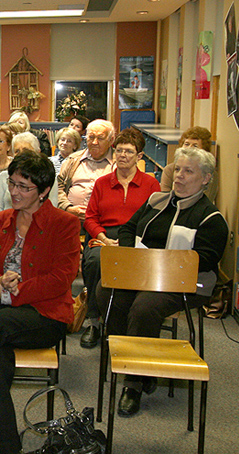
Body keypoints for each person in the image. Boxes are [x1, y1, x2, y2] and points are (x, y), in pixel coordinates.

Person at [0, 150, 80, 454]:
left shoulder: (64, 224)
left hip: (43, 314)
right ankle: (4, 447)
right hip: (0, 308)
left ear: (43, 192)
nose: (13, 191)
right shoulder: (0, 220)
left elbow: (60, 279)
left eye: (23, 187)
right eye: (12, 183)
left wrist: (18, 290)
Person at [97, 147, 228, 417]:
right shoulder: (156, 200)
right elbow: (128, 228)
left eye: (188, 171)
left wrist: (157, 265)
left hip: (185, 283)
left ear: (205, 179)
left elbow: (204, 260)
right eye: (177, 169)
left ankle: (132, 383)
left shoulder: (211, 218)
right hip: (142, 272)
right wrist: (132, 256)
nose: (179, 176)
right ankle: (133, 360)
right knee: (107, 291)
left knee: (145, 307)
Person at [79, 128, 160, 349]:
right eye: (119, 151)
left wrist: (128, 241)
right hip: (105, 235)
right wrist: (104, 239)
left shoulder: (151, 185)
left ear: (139, 156)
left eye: (129, 152)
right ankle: (94, 322)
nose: (123, 155)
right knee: (95, 261)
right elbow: (90, 218)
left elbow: (155, 220)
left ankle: (126, 320)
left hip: (136, 238)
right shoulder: (102, 183)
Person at [57, 119, 116, 220]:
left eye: (100, 138)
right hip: (71, 218)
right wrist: (67, 207)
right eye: (91, 137)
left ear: (111, 140)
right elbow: (57, 187)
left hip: (104, 220)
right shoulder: (73, 160)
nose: (94, 142)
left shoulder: (119, 163)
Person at [160, 126, 218, 202]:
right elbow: (164, 198)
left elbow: (206, 199)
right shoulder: (169, 169)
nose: (189, 148)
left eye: (195, 146)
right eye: (186, 144)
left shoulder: (208, 173)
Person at [0, 132, 40, 217]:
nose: (21, 154)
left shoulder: (47, 178)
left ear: (37, 152)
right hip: (5, 225)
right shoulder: (2, 177)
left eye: (26, 150)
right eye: (17, 151)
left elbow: (51, 210)